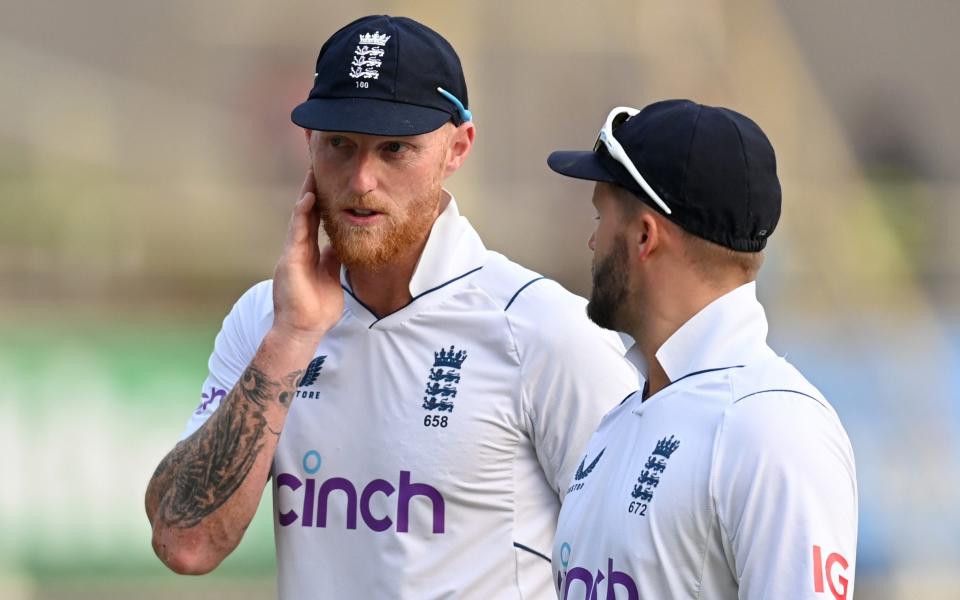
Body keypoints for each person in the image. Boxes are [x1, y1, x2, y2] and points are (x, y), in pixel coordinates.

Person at [144, 14, 637, 599]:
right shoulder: (265, 320)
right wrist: (291, 338)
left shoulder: (545, 331)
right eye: (340, 146)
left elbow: (639, 563)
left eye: (395, 149)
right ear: (308, 143)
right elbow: (185, 542)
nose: (361, 180)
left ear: (458, 147)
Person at [546, 100, 858, 599]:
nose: (591, 240)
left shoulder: (773, 429)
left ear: (644, 236)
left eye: (600, 215)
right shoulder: (627, 414)